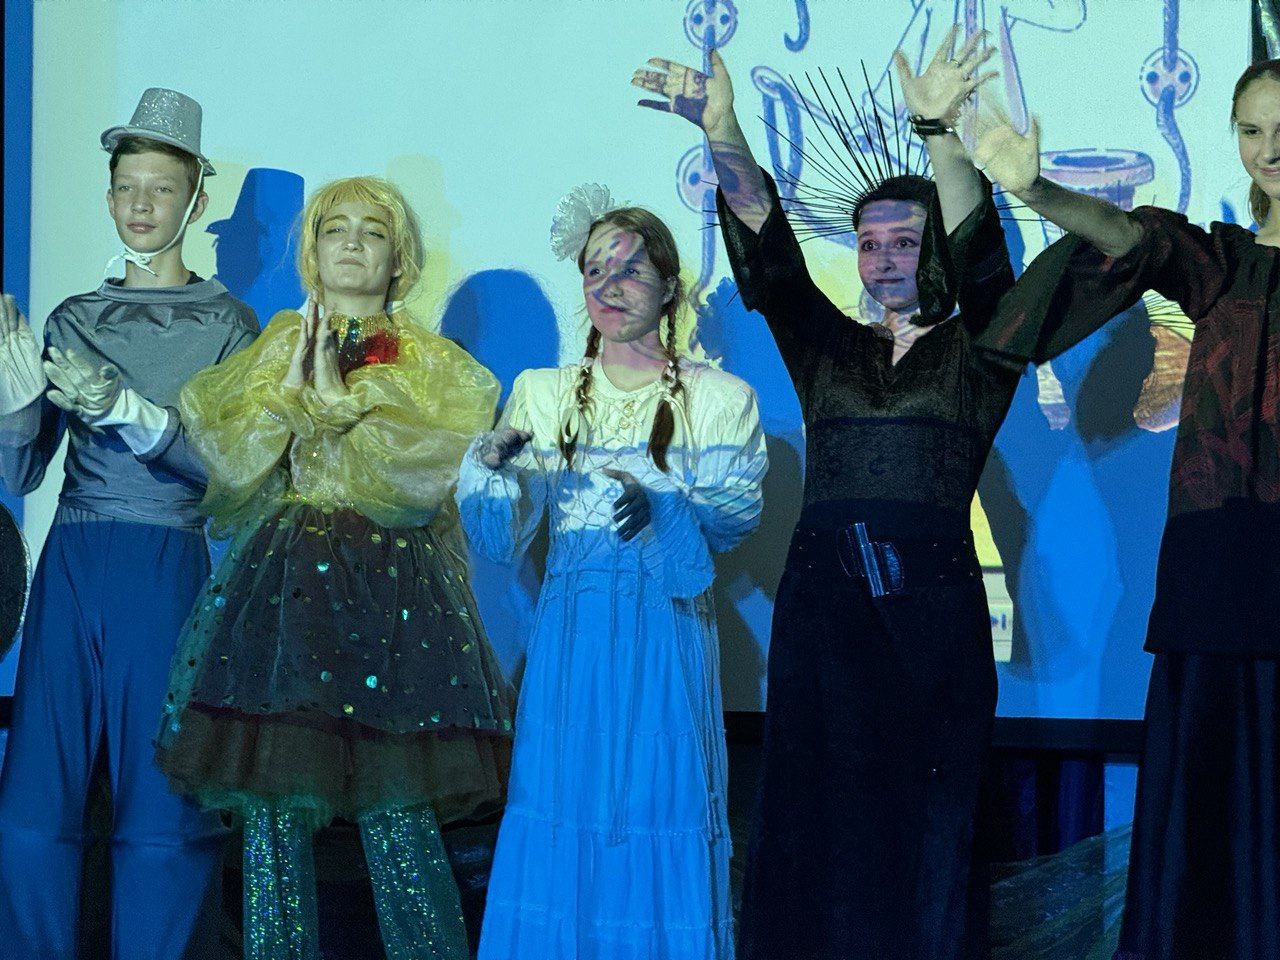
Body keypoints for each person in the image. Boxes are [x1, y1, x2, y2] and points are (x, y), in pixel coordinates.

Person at [632, 29, 1017, 959]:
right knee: (815, 817)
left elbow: (986, 266)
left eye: (906, 241)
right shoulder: (827, 346)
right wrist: (723, 130)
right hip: (825, 614)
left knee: (928, 822)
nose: (882, 260)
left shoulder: (983, 348)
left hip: (931, 619)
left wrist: (941, 134)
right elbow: (767, 246)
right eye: (869, 243)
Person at [969, 56, 1280, 960]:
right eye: (1252, 130)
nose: (1270, 149)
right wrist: (1035, 189)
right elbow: (1131, 235)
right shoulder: (1222, 264)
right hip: (1221, 573)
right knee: (1213, 806)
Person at [155, 175, 512, 960]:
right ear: (311, 252)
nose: (351, 242)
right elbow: (230, 465)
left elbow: (424, 477)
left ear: (399, 259)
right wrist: (290, 398)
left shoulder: (428, 360)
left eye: (372, 231)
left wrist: (346, 406)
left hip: (396, 588)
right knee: (275, 800)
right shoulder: (279, 343)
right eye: (334, 229)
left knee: (399, 795)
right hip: (287, 588)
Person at [457, 189, 767, 959]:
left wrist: (664, 504)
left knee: (656, 800)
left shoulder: (721, 399)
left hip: (664, 633)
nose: (610, 286)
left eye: (629, 270)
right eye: (595, 271)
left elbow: (733, 517)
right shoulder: (542, 393)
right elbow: (501, 535)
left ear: (668, 286)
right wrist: (490, 468)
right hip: (572, 641)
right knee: (563, 804)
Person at [0, 88, 258, 960]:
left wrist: (133, 413)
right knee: (36, 796)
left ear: (196, 199)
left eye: (161, 187)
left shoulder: (229, 325)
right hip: (74, 554)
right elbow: (21, 475)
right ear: (109, 196)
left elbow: (232, 473)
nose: (141, 205)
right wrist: (12, 407)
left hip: (167, 560)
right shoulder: (75, 317)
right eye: (126, 187)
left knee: (162, 808)